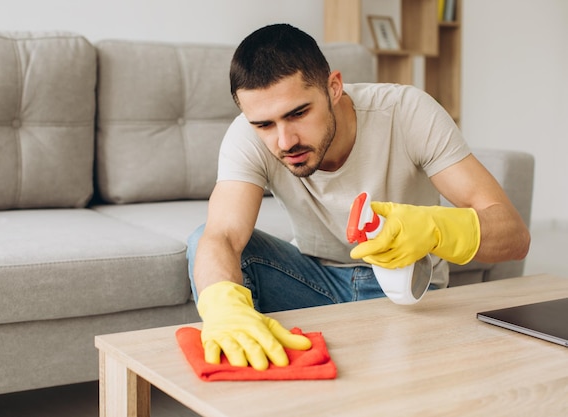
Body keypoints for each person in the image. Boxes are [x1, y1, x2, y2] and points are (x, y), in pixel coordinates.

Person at [186, 23, 530, 371]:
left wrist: (434, 228)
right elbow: (223, 236)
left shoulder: (406, 112)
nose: (285, 141)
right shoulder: (246, 137)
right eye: (264, 125)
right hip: (312, 283)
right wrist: (223, 307)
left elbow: (514, 236)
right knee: (204, 241)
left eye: (298, 113)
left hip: (405, 292)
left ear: (334, 87)